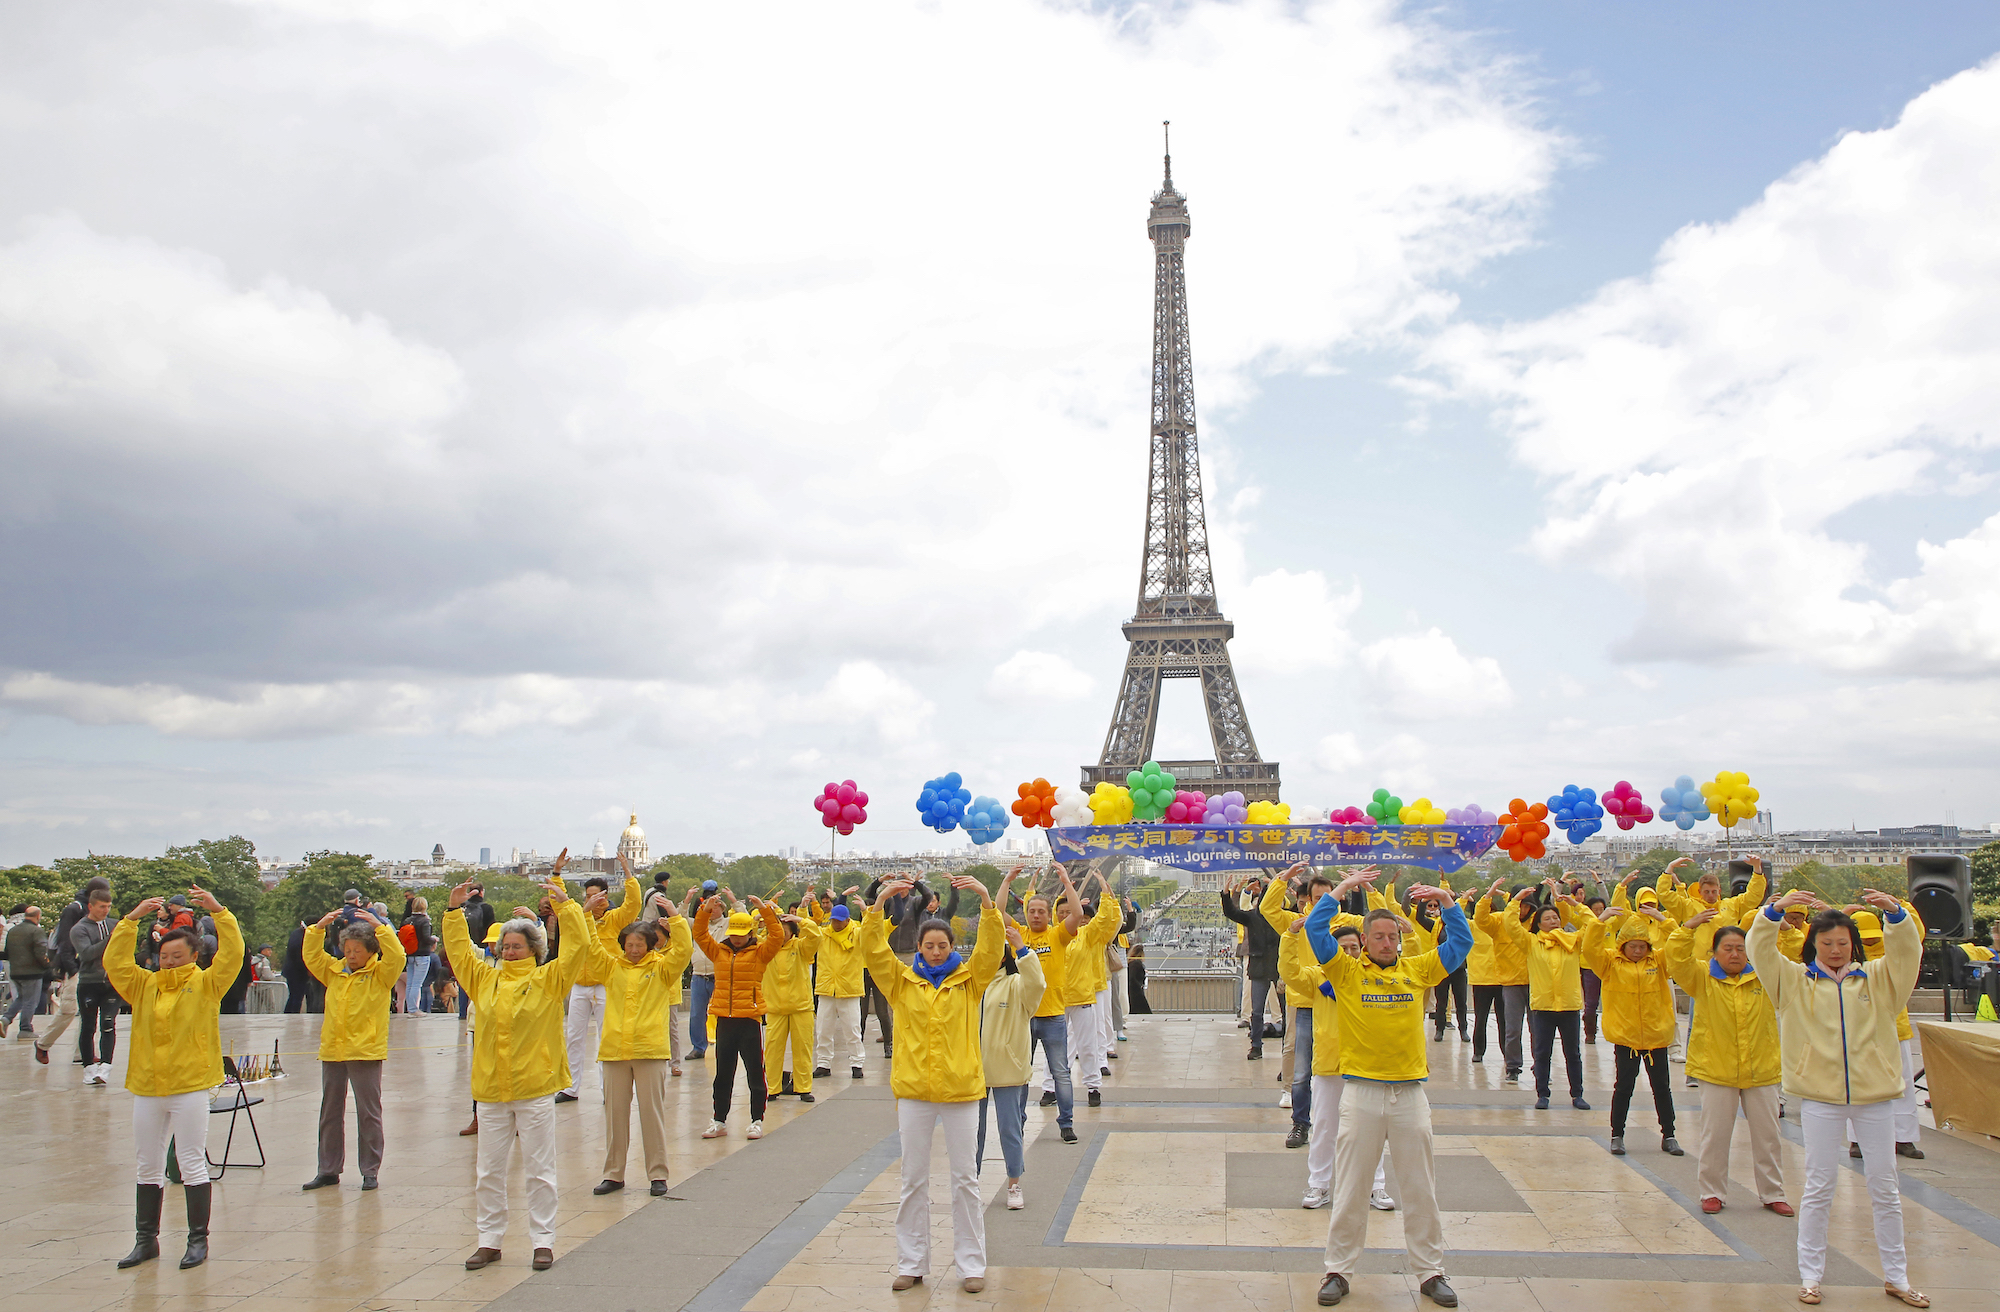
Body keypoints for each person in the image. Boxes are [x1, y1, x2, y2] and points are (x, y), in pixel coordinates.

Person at [1751, 889, 1924, 1308]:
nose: (1834, 950)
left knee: (1885, 1185)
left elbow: (1908, 953)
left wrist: (1896, 916)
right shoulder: (1792, 981)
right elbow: (1760, 949)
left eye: (1842, 944)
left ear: (1854, 945)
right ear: (1813, 944)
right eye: (1826, 943)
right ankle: (1810, 1277)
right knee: (1819, 1185)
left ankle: (1896, 1277)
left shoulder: (1880, 979)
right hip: (1820, 1099)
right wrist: (1773, 911)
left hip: (1875, 1097)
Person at [1306, 870, 1471, 1308]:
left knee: (1420, 1187)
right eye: (1375, 936)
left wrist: (1447, 902)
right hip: (1360, 1092)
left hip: (1410, 1094)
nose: (1384, 943)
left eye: (1390, 936)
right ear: (1363, 937)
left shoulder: (1417, 970)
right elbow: (1314, 930)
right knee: (1352, 1187)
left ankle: (1430, 1270)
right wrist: (1340, 890)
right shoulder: (1344, 972)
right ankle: (1338, 1270)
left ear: (1399, 937)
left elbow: (1460, 947)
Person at [863, 873, 1005, 1294]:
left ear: (950, 948)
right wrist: (879, 903)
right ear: (920, 949)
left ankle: (971, 1266)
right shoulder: (900, 981)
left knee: (965, 1180)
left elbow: (991, 950)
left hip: (961, 1091)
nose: (937, 951)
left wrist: (985, 899)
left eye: (943, 945)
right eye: (930, 946)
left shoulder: (970, 980)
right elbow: (873, 952)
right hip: (914, 1092)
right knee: (912, 1180)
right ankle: (911, 1262)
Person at [445, 861, 589, 1273]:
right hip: (491, 1089)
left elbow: (577, 949)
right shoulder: (484, 980)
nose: (509, 951)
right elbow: (457, 954)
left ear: (533, 950)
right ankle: (489, 1240)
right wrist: (454, 914)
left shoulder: (549, 980)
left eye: (517, 947)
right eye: (505, 946)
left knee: (540, 1170)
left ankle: (543, 1240)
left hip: (533, 1085)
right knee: (488, 1170)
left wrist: (568, 909)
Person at [103, 885, 241, 1270]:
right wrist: (129, 921)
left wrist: (220, 911)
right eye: (164, 955)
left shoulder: (207, 984)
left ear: (195, 956)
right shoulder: (143, 985)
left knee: (191, 1161)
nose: (169, 961)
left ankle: (198, 1241)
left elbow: (232, 954)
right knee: (147, 1164)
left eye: (178, 955)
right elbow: (115, 964)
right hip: (148, 1086)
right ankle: (145, 1240)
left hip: (190, 1086)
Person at [1665, 910, 1788, 1217]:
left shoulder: (1764, 976)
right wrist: (1687, 927)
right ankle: (1712, 1192)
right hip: (1716, 1070)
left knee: (1768, 1137)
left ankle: (1773, 1193)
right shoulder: (1702, 977)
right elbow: (1676, 959)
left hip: (1762, 1069)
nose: (1735, 954)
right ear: (1714, 952)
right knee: (1715, 1136)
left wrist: (1784, 927)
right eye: (1728, 948)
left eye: (1740, 948)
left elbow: (1794, 955)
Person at [581, 877, 692, 1197]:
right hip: (615, 1051)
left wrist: (675, 917)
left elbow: (683, 950)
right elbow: (589, 947)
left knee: (652, 1115)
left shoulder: (662, 968)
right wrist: (587, 915)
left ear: (650, 945)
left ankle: (658, 1174)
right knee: (615, 1117)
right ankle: (613, 1173)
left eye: (638, 945)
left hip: (648, 1050)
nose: (632, 950)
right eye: (628, 945)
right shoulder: (611, 966)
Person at [300, 901, 406, 1192]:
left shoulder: (380, 975)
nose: (351, 955)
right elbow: (311, 955)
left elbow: (397, 955)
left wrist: (380, 927)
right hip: (334, 1050)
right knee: (329, 1111)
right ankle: (328, 1169)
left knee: (368, 1112)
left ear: (371, 951)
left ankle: (369, 1170)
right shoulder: (334, 971)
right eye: (347, 950)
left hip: (365, 1050)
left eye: (357, 951)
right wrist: (317, 929)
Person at [1582, 901, 1681, 1156]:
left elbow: (1679, 945)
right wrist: (1600, 920)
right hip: (1626, 1037)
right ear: (1622, 945)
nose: (1637, 951)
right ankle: (1617, 1134)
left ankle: (1669, 1134)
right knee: (1623, 1087)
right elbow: (1589, 948)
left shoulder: (1658, 961)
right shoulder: (1610, 963)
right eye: (1632, 946)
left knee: (1662, 1087)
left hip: (1655, 1035)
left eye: (1642, 946)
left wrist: (1662, 918)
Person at [690, 886, 785, 1140]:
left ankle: (756, 1119)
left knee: (755, 1071)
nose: (738, 939)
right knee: (723, 1074)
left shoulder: (760, 953)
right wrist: (705, 909)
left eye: (742, 935)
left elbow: (777, 936)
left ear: (750, 933)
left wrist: (765, 910)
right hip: (725, 1019)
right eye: (734, 934)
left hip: (750, 1019)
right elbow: (698, 933)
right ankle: (719, 1119)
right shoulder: (718, 951)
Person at [976, 894, 1040, 1212]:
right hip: (973, 1069)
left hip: (1006, 1069)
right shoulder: (972, 984)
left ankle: (1014, 1183)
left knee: (1009, 1128)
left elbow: (1037, 984)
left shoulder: (1016, 986)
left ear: (1002, 958)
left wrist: (1023, 949)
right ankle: (970, 1183)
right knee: (973, 1131)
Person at [1011, 868, 1081, 1141]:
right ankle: (1018, 1120)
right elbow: (998, 910)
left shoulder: (1057, 935)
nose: (1037, 915)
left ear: (1049, 914)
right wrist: (1007, 881)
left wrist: (1066, 882)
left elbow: (1076, 914)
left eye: (1041, 911)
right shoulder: (1018, 935)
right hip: (1025, 1016)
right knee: (1020, 1074)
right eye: (1032, 911)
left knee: (1060, 1072)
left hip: (1052, 1015)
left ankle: (1066, 1123)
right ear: (1026, 914)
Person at [1852, 909, 1927, 1160]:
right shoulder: (1843, 959)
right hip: (1860, 1031)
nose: (1870, 942)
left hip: (1896, 1027)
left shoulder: (1892, 953)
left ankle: (1904, 1138)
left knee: (1903, 1083)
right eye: (1865, 938)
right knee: (1858, 1084)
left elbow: (1913, 937)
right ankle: (1856, 1140)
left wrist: (1898, 908)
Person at [1056, 870, 1122, 1103]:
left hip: (1085, 994)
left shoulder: (1089, 935)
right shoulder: (1055, 935)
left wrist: (1106, 892)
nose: (1069, 916)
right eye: (1061, 913)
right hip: (1061, 998)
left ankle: (1093, 1084)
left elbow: (1109, 919)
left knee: (1088, 1042)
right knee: (1059, 1048)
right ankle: (1051, 1087)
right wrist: (1065, 890)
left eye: (1071, 912)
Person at [557, 873, 619, 1104]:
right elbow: (560, 904)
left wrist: (629, 874)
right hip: (579, 984)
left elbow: (634, 903)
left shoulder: (614, 918)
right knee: (573, 1036)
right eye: (588, 896)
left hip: (603, 983)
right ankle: (571, 1087)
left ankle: (607, 1088)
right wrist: (556, 875)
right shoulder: (579, 916)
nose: (591, 899)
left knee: (605, 1037)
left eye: (596, 895)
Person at [1473, 884, 1536, 1084]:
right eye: (1520, 904)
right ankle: (1513, 1067)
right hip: (1510, 982)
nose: (1523, 910)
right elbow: (1481, 920)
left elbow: (1560, 918)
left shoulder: (1536, 921)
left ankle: (1540, 1065)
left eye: (1527, 906)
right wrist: (1488, 895)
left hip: (1536, 981)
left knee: (1537, 1028)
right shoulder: (1500, 920)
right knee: (1512, 1028)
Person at [764, 892, 823, 1101]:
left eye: (785, 930)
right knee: (772, 1051)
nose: (781, 934)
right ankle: (772, 1088)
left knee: (803, 1050)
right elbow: (750, 934)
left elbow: (816, 936)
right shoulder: (766, 949)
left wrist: (800, 919)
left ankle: (803, 1087)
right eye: (777, 930)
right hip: (774, 1009)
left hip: (801, 1007)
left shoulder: (800, 948)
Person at [1220, 873, 1282, 1058]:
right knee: (1257, 1011)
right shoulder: (1256, 917)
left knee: (1275, 1010)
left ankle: (1268, 1045)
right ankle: (1256, 1045)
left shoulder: (1281, 917)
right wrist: (1226, 894)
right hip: (1263, 968)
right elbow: (1231, 912)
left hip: (1275, 968)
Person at [811, 889, 867, 1081]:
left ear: (847, 920)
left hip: (849, 990)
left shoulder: (857, 933)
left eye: (839, 920)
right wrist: (802, 910)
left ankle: (857, 1063)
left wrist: (866, 911)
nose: (835, 923)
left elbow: (874, 930)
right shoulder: (823, 935)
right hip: (827, 989)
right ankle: (823, 1063)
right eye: (833, 920)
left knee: (852, 1030)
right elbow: (807, 930)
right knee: (823, 1030)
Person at [66, 884, 119, 1083]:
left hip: (111, 982)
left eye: (108, 906)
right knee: (88, 1026)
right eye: (101, 907)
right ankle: (88, 1066)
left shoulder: (113, 923)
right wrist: (111, 939)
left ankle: (106, 1065)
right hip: (89, 981)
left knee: (108, 1023)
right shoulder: (79, 929)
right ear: (91, 906)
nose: (105, 911)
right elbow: (87, 954)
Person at [1, 905, 50, 1039]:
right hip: (32, 972)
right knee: (31, 1001)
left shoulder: (13, 930)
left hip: (15, 971)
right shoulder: (36, 931)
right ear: (38, 917)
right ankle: (25, 1029)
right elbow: (40, 953)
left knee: (21, 998)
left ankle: (5, 1020)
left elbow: (7, 951)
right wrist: (48, 966)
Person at [686, 882, 722, 1058]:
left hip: (719, 974)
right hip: (700, 974)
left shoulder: (728, 924)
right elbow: (680, 918)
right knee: (696, 1014)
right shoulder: (698, 925)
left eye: (715, 907)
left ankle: (724, 1045)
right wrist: (686, 900)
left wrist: (733, 900)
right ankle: (698, 1047)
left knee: (723, 1014)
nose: (712, 910)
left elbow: (744, 917)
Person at [401, 897, 435, 1013]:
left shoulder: (407, 920)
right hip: (422, 954)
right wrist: (433, 940)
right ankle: (414, 1009)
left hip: (410, 954)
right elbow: (426, 938)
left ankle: (410, 1008)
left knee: (410, 983)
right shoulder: (424, 921)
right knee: (417, 984)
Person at [1126, 941, 1151, 1014]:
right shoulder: (1137, 964)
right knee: (1144, 1011)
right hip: (1136, 992)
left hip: (1132, 992)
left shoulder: (1131, 963)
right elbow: (1133, 978)